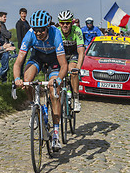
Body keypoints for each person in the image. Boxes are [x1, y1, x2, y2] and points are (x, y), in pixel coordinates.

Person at [13, 10, 68, 151]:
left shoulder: (55, 34)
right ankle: (34, 106)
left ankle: (55, 135)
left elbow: (64, 66)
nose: (38, 33)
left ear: (47, 27)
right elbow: (18, 62)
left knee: (53, 92)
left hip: (54, 59)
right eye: (36, 30)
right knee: (27, 80)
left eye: (41, 30)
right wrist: (17, 79)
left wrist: (58, 80)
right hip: (37, 57)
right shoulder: (30, 34)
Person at [57, 10, 84, 112]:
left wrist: (78, 68)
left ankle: (76, 99)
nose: (65, 25)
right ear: (59, 23)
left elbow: (81, 51)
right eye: (62, 23)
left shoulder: (77, 30)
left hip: (73, 54)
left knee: (72, 71)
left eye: (67, 23)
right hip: (62, 55)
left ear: (71, 23)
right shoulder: (57, 32)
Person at [15, 8, 30, 78]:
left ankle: (24, 73)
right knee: (21, 60)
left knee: (25, 59)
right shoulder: (19, 23)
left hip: (28, 43)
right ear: (20, 14)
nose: (24, 15)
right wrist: (21, 45)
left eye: (25, 13)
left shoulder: (26, 22)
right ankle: (20, 74)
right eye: (22, 13)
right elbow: (19, 35)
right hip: (23, 44)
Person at [0, 11, 12, 83]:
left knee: (5, 66)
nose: (6, 18)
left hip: (4, 47)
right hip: (4, 48)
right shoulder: (0, 25)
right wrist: (9, 33)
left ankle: (3, 82)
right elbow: (8, 35)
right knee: (4, 67)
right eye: (4, 17)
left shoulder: (2, 25)